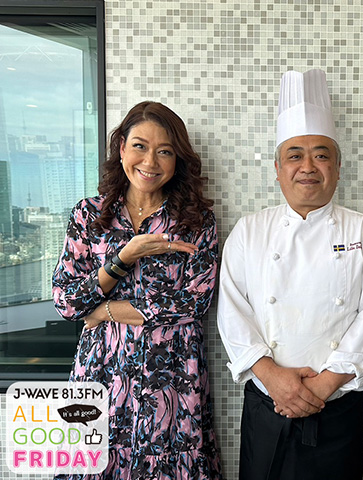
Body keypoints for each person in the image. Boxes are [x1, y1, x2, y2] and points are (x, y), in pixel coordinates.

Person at [217, 69, 363, 480]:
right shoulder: (249, 231)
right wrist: (274, 379)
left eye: (321, 155)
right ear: (277, 168)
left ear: (338, 167)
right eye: (295, 155)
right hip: (268, 402)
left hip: (338, 405)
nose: (308, 167)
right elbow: (232, 312)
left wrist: (321, 387)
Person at [52, 101, 223, 479]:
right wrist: (123, 258)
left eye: (165, 151)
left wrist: (105, 310)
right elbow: (66, 301)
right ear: (121, 148)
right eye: (140, 146)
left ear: (177, 160)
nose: (150, 161)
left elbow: (196, 300)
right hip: (103, 371)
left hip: (173, 378)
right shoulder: (88, 216)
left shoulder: (196, 221)